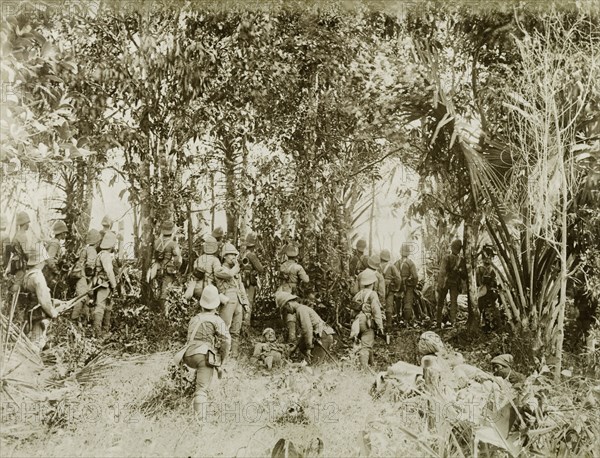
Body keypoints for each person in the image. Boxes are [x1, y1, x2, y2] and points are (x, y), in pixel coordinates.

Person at [182, 284, 231, 417]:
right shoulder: (217, 319)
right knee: (201, 391)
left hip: (187, 355)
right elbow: (226, 340)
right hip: (203, 355)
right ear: (216, 305)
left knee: (197, 378)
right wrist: (222, 359)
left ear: (202, 304)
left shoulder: (194, 318)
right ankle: (200, 424)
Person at [276, 291, 335, 365]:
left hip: (323, 336)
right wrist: (295, 347)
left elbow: (307, 329)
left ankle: (317, 361)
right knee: (302, 345)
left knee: (314, 367)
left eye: (286, 310)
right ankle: (316, 359)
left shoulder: (301, 310)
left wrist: (309, 348)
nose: (288, 312)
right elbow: (304, 333)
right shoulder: (301, 309)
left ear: (288, 305)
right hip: (321, 336)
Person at [20, 244, 59, 352]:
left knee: (30, 338)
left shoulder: (28, 274)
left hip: (29, 312)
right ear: (42, 260)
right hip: (38, 314)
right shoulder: (38, 276)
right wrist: (53, 313)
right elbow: (43, 301)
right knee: (37, 342)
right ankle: (33, 365)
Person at [215, 243, 249, 358]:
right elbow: (229, 275)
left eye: (235, 255)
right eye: (231, 255)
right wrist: (237, 266)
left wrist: (245, 303)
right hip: (227, 301)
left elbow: (241, 287)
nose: (234, 257)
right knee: (223, 329)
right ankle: (222, 355)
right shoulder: (219, 269)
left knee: (236, 330)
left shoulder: (235, 271)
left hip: (238, 302)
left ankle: (234, 355)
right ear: (224, 256)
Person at [350, 270, 384, 371]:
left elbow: (352, 312)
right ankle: (364, 369)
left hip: (357, 321)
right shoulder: (373, 294)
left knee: (365, 342)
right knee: (366, 345)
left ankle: (371, 364)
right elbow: (376, 310)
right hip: (367, 321)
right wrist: (380, 325)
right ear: (373, 283)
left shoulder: (358, 294)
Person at [278, 244, 309, 342]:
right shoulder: (297, 267)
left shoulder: (282, 265)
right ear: (296, 256)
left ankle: (285, 333)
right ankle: (292, 337)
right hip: (292, 290)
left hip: (282, 289)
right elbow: (306, 280)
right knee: (291, 312)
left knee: (284, 311)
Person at [70, 229, 101, 324]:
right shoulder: (92, 250)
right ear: (97, 241)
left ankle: (83, 320)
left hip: (80, 275)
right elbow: (89, 267)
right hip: (83, 276)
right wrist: (90, 279)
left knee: (86, 298)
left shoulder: (85, 248)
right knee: (82, 298)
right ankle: (74, 319)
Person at [152, 220, 182, 315]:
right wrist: (177, 268)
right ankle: (164, 315)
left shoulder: (156, 242)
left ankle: (158, 311)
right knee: (165, 291)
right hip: (168, 270)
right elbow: (178, 260)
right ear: (172, 231)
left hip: (157, 269)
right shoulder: (173, 244)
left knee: (159, 289)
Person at [91, 231, 118, 338]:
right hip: (103, 284)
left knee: (108, 306)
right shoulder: (105, 256)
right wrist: (114, 284)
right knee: (101, 306)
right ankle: (97, 332)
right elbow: (109, 271)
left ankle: (105, 330)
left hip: (101, 282)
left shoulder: (101, 254)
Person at [436, 239, 466, 327]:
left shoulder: (446, 257)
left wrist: (440, 285)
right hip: (455, 283)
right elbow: (464, 275)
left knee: (440, 302)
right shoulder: (462, 260)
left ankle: (438, 322)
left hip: (446, 282)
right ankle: (453, 322)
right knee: (454, 302)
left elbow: (442, 272)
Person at [241, 233, 264, 335]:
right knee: (249, 302)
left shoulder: (243, 254)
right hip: (249, 282)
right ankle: (246, 327)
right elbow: (260, 268)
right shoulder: (252, 255)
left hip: (243, 282)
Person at [185, 235, 222, 300]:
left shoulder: (199, 259)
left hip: (197, 287)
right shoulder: (215, 260)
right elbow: (217, 274)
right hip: (209, 288)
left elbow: (195, 270)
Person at [477, 245, 500, 332]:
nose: (488, 259)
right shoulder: (479, 269)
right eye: (487, 256)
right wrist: (483, 281)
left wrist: (492, 282)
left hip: (491, 292)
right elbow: (478, 282)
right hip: (483, 291)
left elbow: (495, 282)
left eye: (490, 257)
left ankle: (492, 325)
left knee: (491, 309)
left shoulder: (493, 269)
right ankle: (484, 326)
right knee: (482, 308)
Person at [395, 243, 419, 324]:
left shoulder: (396, 263)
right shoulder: (410, 263)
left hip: (399, 285)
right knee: (408, 302)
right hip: (408, 285)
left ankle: (398, 317)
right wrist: (413, 285)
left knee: (398, 300)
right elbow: (415, 276)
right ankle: (406, 321)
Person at [379, 249, 401, 330]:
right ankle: (388, 325)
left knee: (379, 305)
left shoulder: (377, 266)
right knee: (389, 305)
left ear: (381, 257)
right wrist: (396, 288)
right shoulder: (392, 266)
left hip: (379, 287)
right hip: (389, 288)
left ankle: (379, 325)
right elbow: (398, 278)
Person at [43, 220, 68, 289]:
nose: (65, 235)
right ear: (62, 233)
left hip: (46, 269)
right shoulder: (55, 243)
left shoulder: (52, 241)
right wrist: (56, 271)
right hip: (48, 271)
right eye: (65, 233)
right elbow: (50, 259)